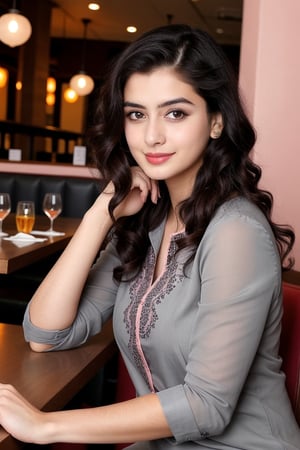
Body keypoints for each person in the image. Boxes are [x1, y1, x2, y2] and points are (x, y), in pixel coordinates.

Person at [0, 24, 299, 450]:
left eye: (175, 113)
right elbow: (45, 334)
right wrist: (99, 217)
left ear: (216, 122)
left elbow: (206, 405)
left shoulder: (235, 232)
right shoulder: (149, 224)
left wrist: (47, 425)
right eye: (136, 114)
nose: (151, 136)